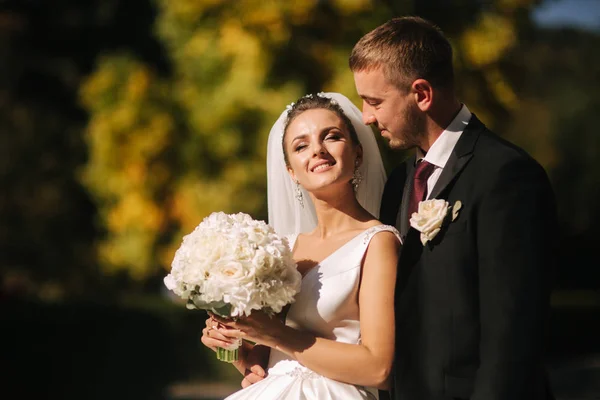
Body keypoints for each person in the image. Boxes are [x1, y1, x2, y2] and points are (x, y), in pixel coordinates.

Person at [348, 16, 558, 400]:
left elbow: (512, 335)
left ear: (422, 93)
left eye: (374, 101)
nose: (366, 117)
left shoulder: (507, 175)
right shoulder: (399, 183)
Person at [201, 92, 402, 399]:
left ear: (358, 154)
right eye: (301, 145)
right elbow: (274, 361)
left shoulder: (378, 243)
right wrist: (239, 348)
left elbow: (380, 369)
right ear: (291, 172)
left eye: (331, 137)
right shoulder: (281, 249)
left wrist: (276, 334)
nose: (317, 150)